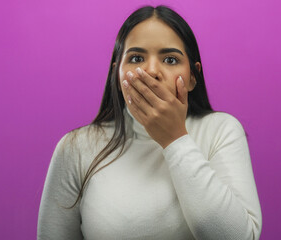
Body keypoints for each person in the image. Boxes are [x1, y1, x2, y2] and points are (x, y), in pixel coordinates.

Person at [37, 5, 262, 240]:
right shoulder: (76, 148)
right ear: (116, 75)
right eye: (136, 58)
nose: (152, 71)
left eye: (170, 59)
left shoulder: (221, 131)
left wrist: (175, 139)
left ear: (193, 77)